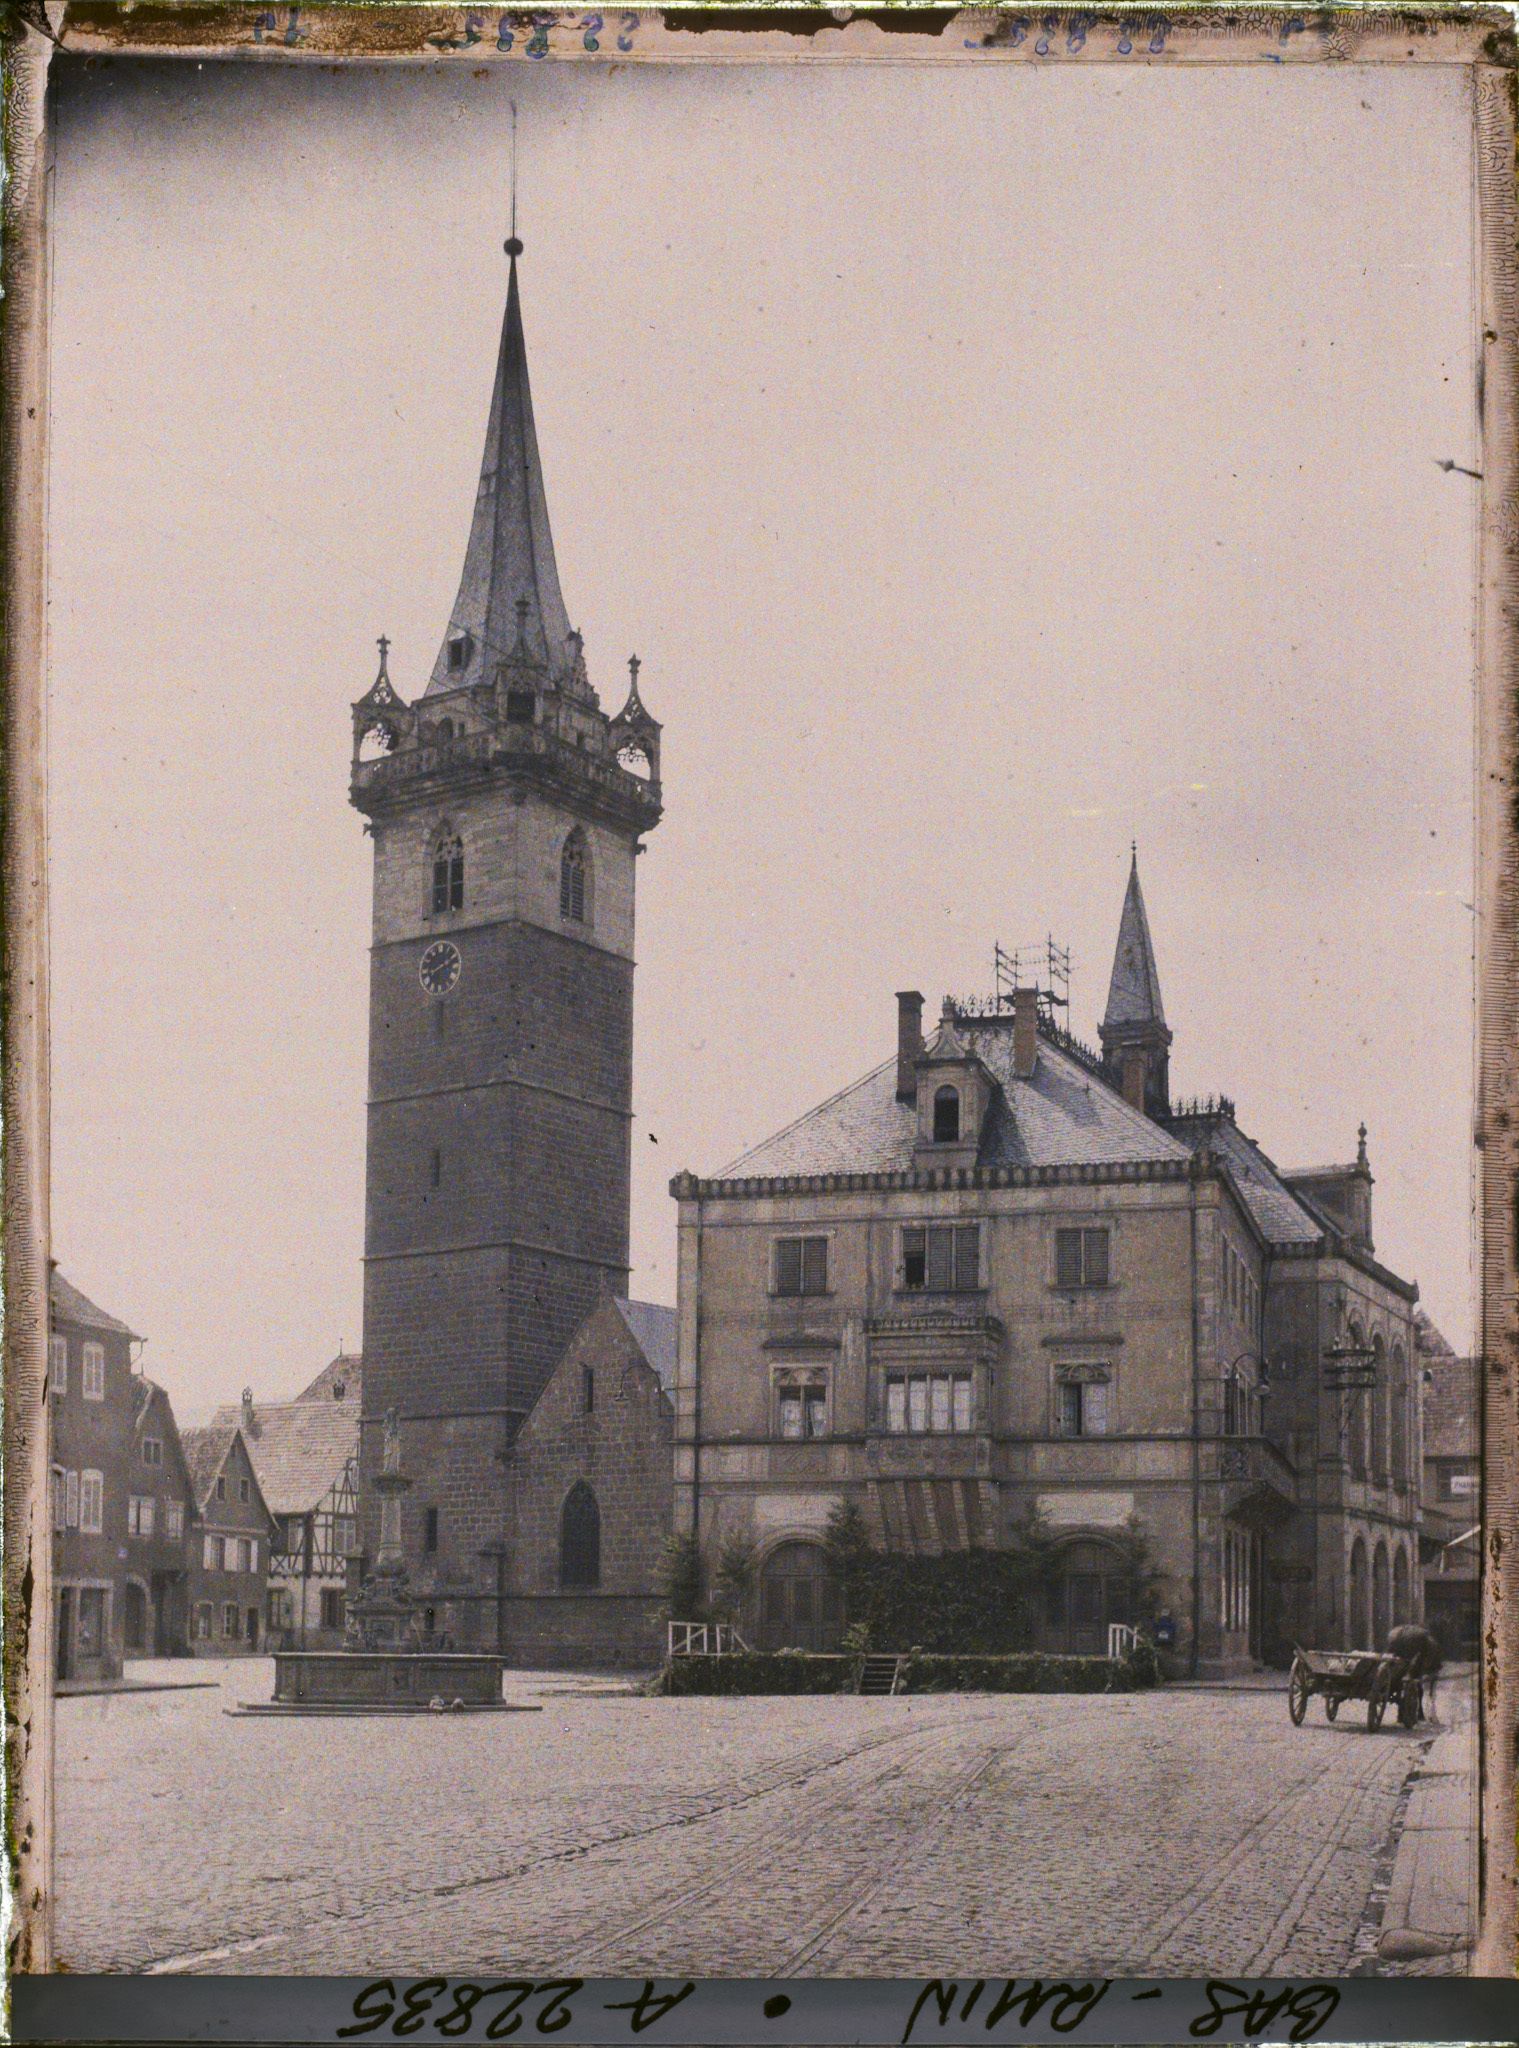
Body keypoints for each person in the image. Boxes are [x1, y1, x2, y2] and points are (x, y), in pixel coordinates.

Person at [1385, 1621, 1443, 1722]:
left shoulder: (1397, 1638)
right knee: (1416, 1685)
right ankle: (1419, 1713)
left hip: (1397, 1666)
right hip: (1413, 1667)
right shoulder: (1427, 1641)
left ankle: (1402, 1714)